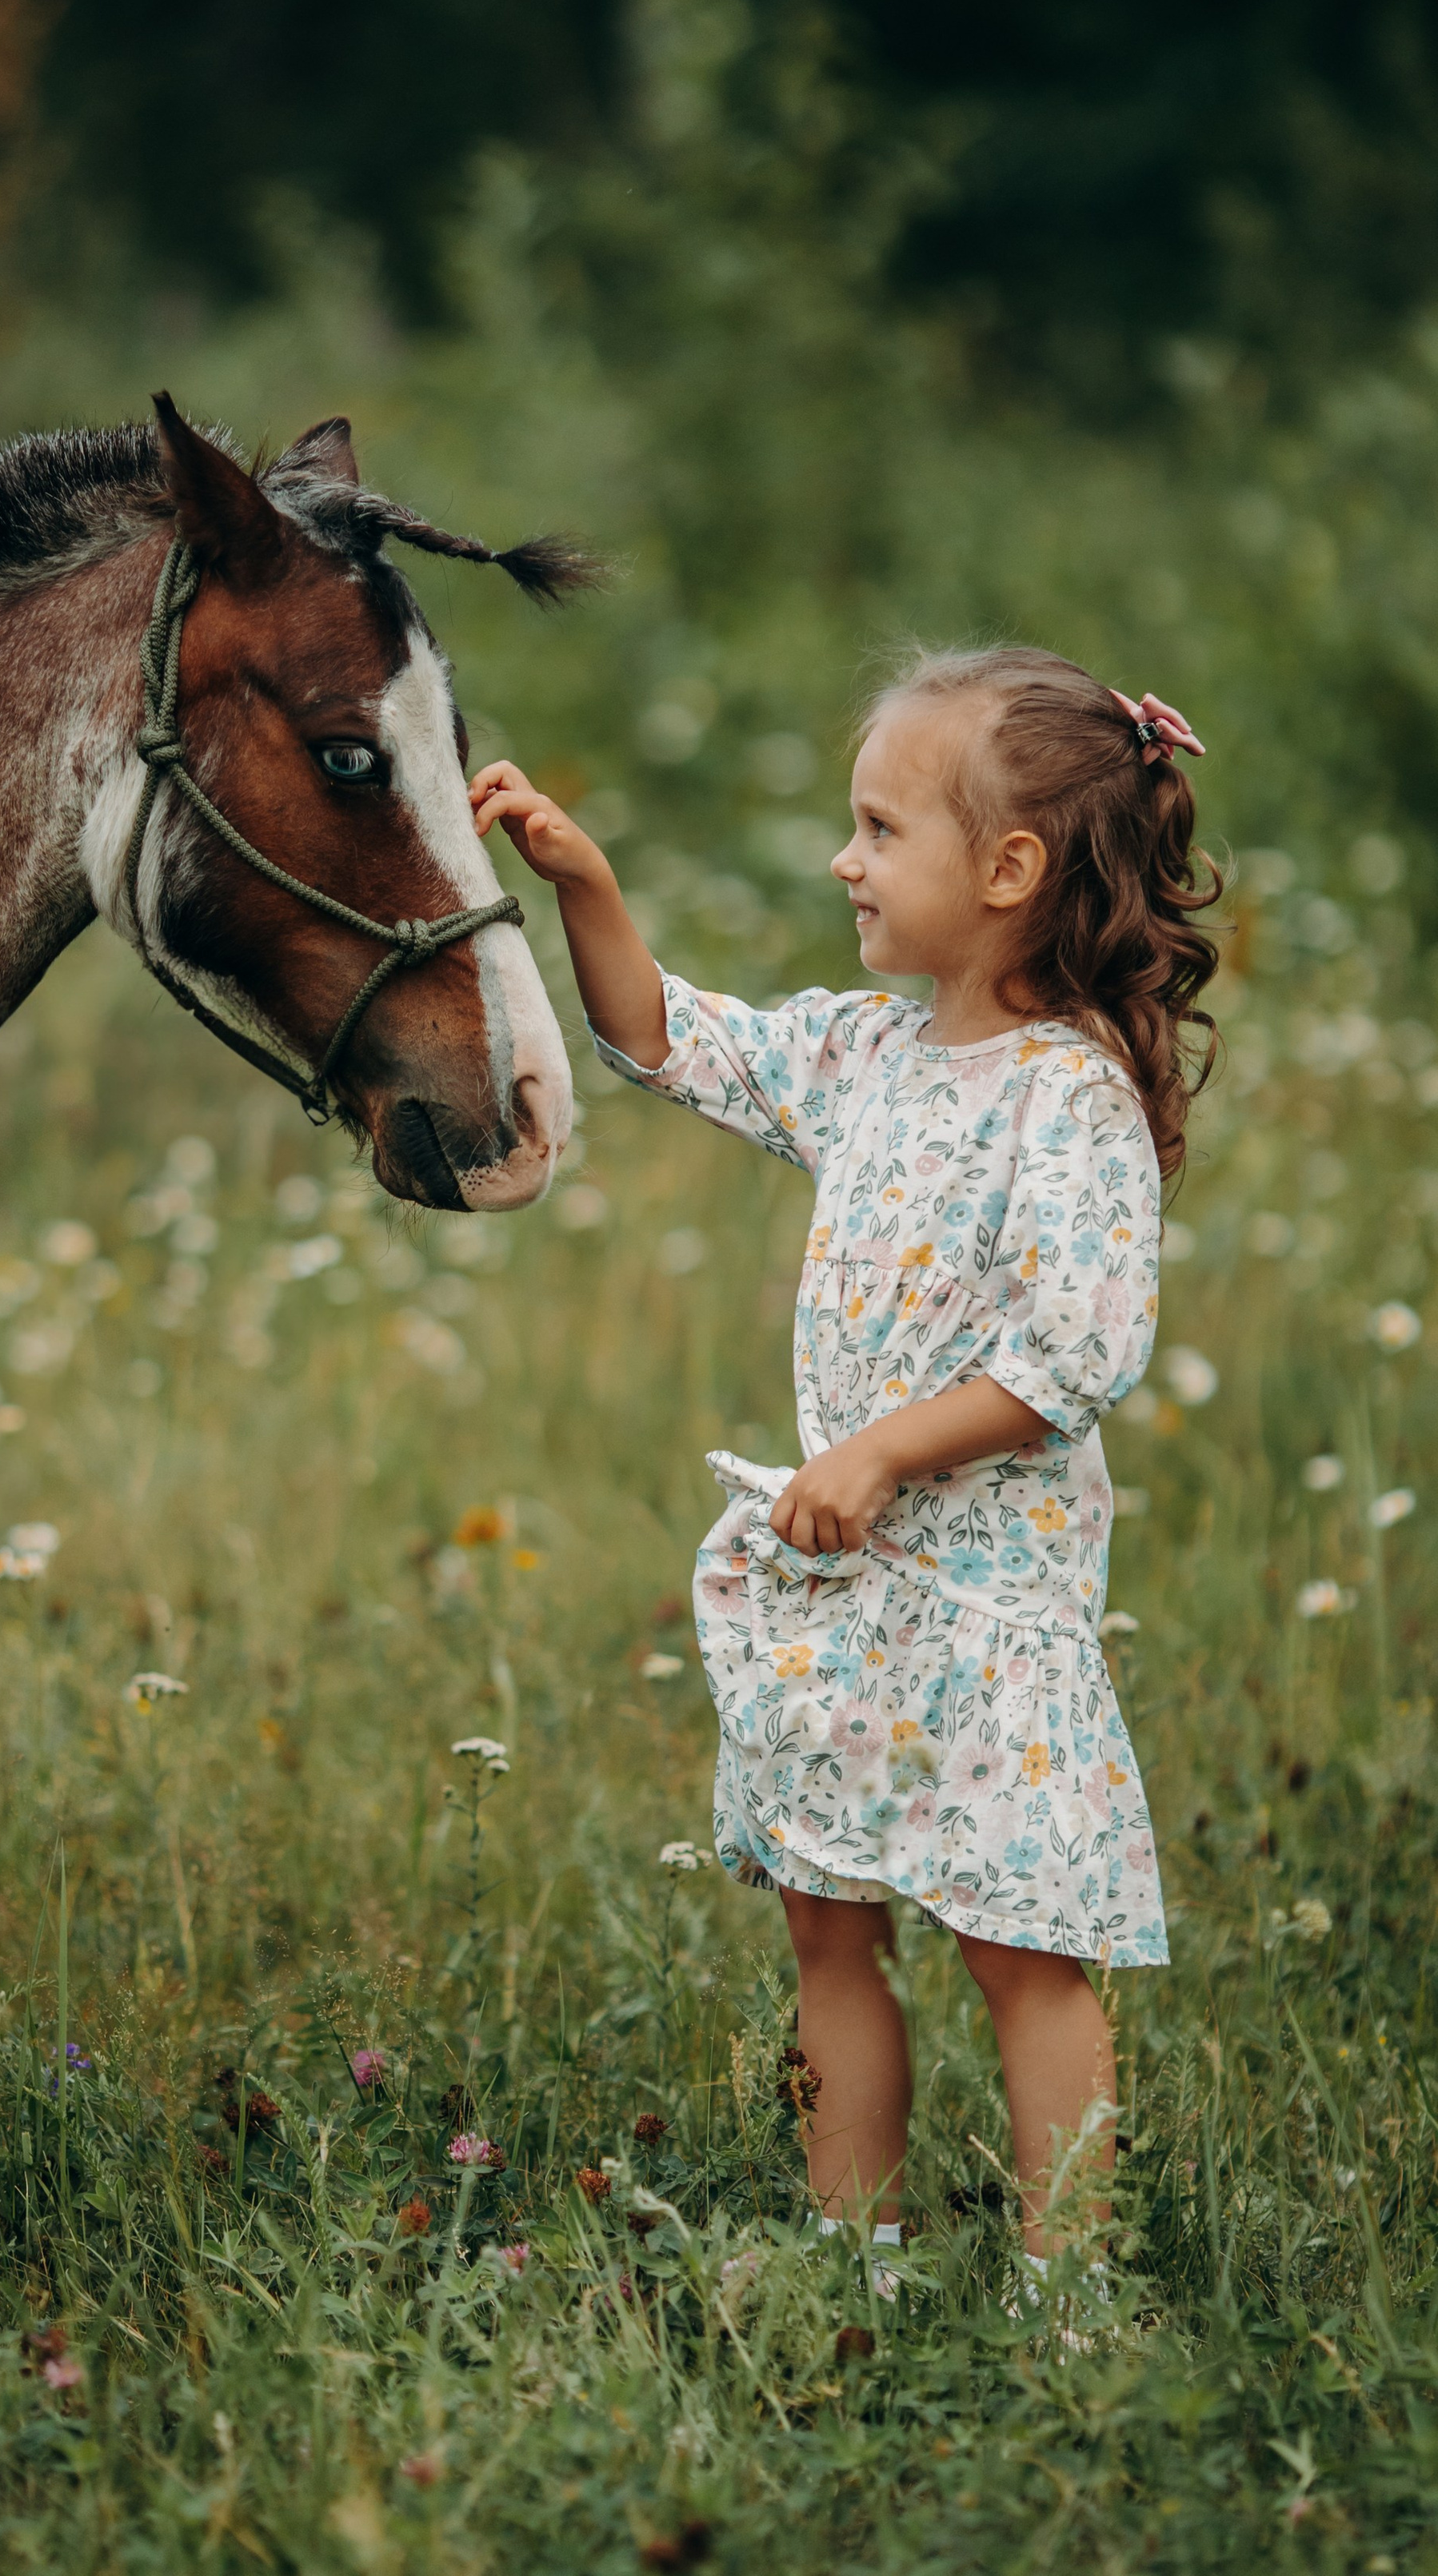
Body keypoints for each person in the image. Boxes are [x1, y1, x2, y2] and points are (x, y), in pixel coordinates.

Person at [471, 649, 1220, 2283]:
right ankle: (851, 2265)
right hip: (850, 1600)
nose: (844, 862)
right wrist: (584, 885)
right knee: (828, 1930)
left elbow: (1071, 1347)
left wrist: (879, 1447)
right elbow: (670, 1038)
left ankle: (1069, 2298)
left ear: (1008, 871)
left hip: (984, 1604)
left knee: (1018, 1949)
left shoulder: (1064, 1098)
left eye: (878, 830)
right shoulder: (867, 1055)